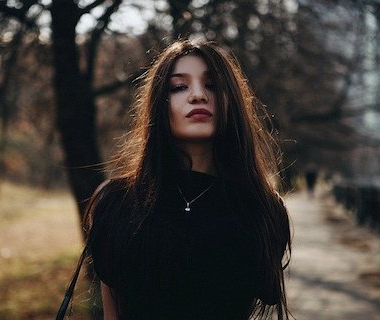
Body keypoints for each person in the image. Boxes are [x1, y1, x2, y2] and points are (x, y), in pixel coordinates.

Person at [85, 39, 292, 320]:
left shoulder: (261, 209)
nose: (198, 95)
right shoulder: (116, 202)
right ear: (159, 103)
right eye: (179, 86)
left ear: (231, 102)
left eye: (212, 85)